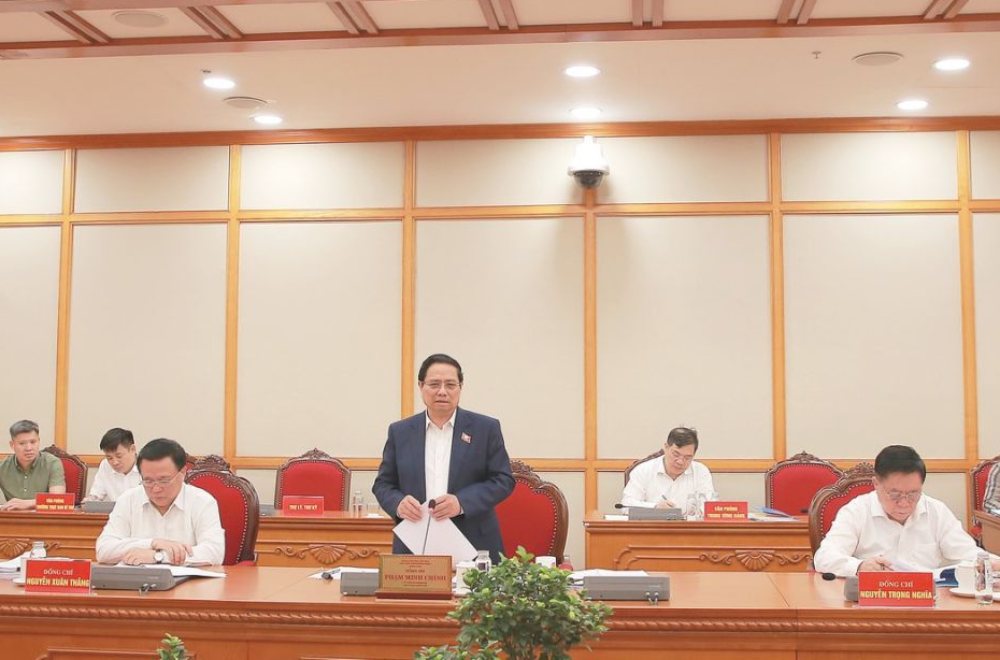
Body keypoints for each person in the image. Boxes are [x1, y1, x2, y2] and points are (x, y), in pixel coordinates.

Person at [373, 353, 515, 563]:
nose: (442, 391)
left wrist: (461, 502)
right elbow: (383, 484)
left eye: (450, 384)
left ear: (460, 387)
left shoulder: (485, 428)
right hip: (415, 543)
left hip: (474, 542)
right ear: (421, 386)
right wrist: (398, 503)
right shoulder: (400, 432)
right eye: (434, 384)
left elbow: (503, 480)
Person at [814, 445, 998, 577]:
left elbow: (967, 553)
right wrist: (860, 566)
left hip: (929, 603)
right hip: (873, 604)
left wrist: (991, 563)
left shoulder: (936, 511)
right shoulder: (856, 511)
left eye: (913, 493)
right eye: (894, 494)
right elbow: (825, 558)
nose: (904, 503)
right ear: (876, 484)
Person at [96, 438, 224, 566]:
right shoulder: (128, 499)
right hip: (136, 583)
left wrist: (159, 556)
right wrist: (151, 543)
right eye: (148, 481)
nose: (156, 489)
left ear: (182, 472)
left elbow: (214, 552)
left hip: (190, 584)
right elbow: (103, 550)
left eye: (164, 480)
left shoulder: (202, 501)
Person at [621, 426, 715, 512]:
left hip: (688, 529)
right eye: (676, 454)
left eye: (687, 457)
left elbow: (709, 506)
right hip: (652, 528)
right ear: (666, 447)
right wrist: (655, 507)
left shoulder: (701, 472)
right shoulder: (643, 470)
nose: (680, 461)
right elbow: (626, 506)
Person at [0, 420, 66, 511]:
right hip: (14, 519)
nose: (29, 448)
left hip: (45, 519)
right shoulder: (2, 467)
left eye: (33, 442)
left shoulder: (52, 463)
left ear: (39, 441)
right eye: (22, 443)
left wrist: (27, 503)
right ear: (12, 445)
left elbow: (58, 499)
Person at [85, 427, 142, 502]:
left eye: (119, 456)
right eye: (109, 458)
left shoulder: (148, 466)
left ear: (132, 449)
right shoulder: (105, 465)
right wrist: (89, 502)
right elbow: (96, 495)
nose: (115, 462)